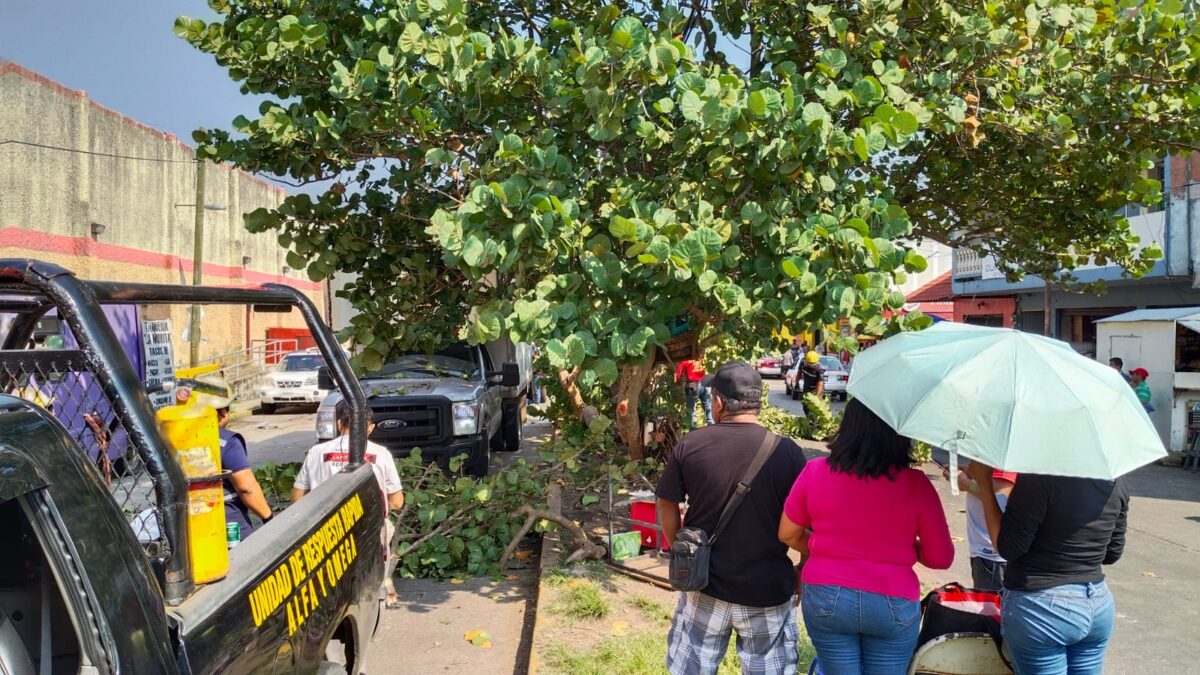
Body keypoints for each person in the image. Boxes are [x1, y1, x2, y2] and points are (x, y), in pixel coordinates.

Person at [779, 399, 954, 674]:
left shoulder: (816, 471)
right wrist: (902, 546)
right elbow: (940, 558)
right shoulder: (917, 484)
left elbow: (788, 533)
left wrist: (824, 548)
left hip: (827, 596)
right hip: (893, 600)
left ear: (848, 428)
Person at [656, 361, 809, 674]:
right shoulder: (788, 452)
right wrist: (803, 570)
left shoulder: (691, 444)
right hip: (767, 589)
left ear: (718, 402)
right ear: (758, 403)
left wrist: (681, 550)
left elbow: (666, 503)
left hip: (704, 585)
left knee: (692, 669)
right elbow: (809, 522)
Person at [968, 463, 1129, 675]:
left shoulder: (1038, 477)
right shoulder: (1116, 481)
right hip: (1096, 603)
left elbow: (1008, 548)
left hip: (1040, 608)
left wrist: (984, 485)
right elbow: (1111, 554)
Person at [191, 376, 273, 538]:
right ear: (222, 412)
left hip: (189, 526)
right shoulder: (226, 441)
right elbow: (246, 488)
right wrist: (268, 517)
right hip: (228, 524)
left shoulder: (178, 439)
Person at [942, 461, 1016, 591]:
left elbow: (998, 496)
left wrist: (964, 482)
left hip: (993, 556)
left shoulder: (1001, 460)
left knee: (991, 602)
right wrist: (969, 473)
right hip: (985, 552)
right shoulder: (992, 459)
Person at [675, 358, 713, 428]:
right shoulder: (697, 362)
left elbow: (678, 372)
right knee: (707, 403)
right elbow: (702, 373)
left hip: (693, 386)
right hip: (703, 384)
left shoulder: (685, 362)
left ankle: (691, 426)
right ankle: (711, 422)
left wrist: (676, 381)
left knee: (690, 408)